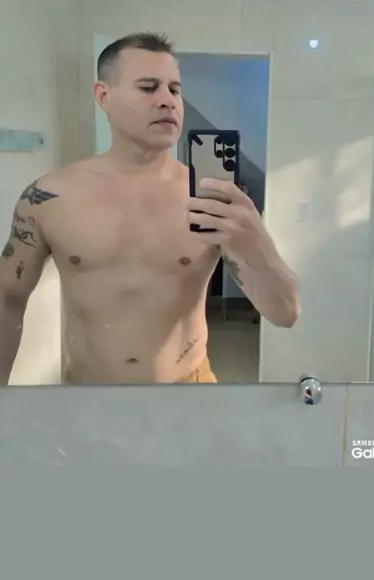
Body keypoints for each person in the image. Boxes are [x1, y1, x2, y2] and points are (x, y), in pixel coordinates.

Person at [0, 33, 301, 385]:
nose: (167, 101)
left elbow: (285, 314)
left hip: (189, 390)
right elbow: (7, 300)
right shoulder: (50, 197)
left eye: (174, 89)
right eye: (148, 87)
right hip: (87, 395)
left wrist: (258, 244)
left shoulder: (210, 200)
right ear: (104, 96)